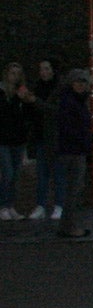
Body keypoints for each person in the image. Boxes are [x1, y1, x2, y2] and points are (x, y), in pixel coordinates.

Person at [52, 69, 93, 238]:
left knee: (73, 190)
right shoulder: (70, 102)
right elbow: (70, 127)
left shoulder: (75, 100)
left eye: (83, 82)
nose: (81, 85)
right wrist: (85, 142)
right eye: (78, 82)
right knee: (73, 190)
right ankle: (70, 226)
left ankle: (66, 225)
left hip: (74, 148)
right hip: (72, 150)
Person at [0, 63, 31, 219]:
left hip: (18, 139)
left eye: (18, 74)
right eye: (12, 73)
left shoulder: (22, 93)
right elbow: (5, 114)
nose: (15, 77)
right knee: (8, 173)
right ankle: (3, 206)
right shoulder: (2, 92)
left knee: (16, 174)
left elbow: (25, 117)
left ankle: (10, 205)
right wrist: (15, 100)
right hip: (3, 139)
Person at [29, 57, 58, 219]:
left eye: (47, 69)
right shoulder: (36, 88)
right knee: (42, 173)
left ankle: (59, 204)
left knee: (58, 173)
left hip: (55, 136)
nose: (44, 72)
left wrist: (36, 102)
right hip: (41, 135)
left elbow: (55, 111)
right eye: (42, 69)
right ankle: (40, 204)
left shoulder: (59, 89)